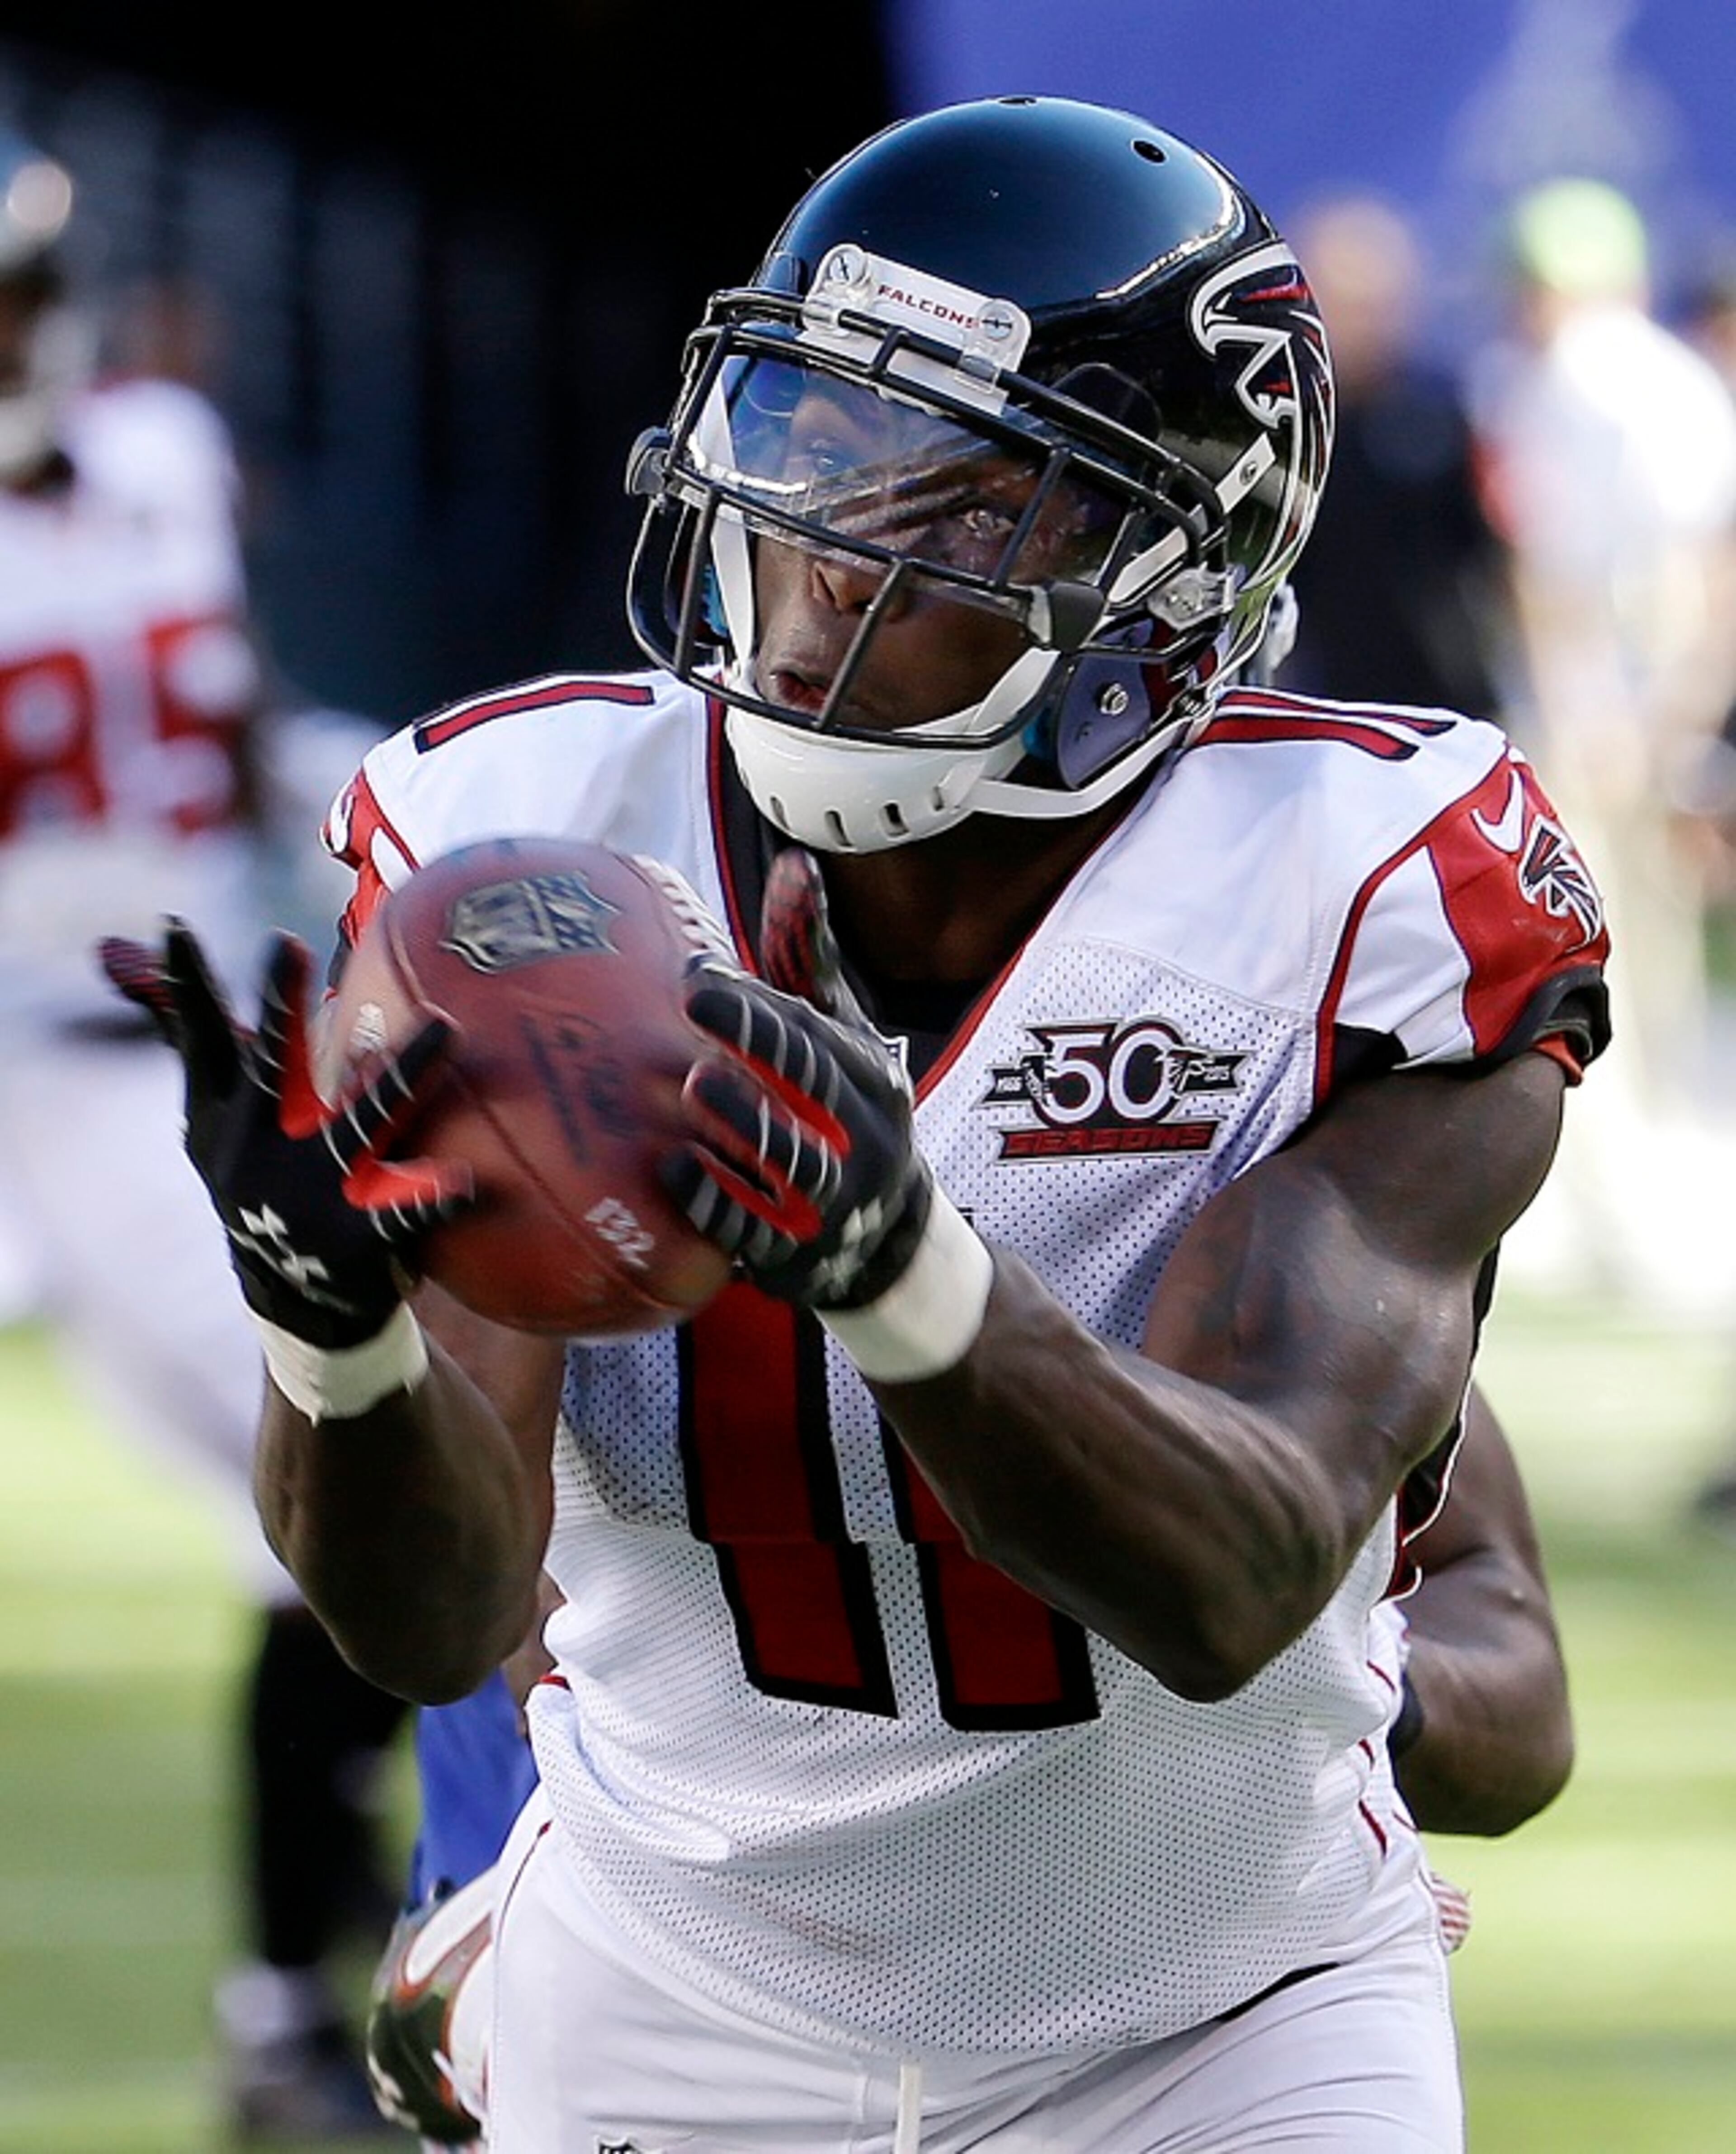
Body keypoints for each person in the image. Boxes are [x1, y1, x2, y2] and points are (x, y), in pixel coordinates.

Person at [106, 96, 1609, 2154]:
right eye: (807, 435)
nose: (828, 539)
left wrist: (899, 1265)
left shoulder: (1365, 885)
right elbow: (439, 1620)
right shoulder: (522, 846)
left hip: (1217, 2014)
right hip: (675, 1994)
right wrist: (332, 1342)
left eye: (964, 498)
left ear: (1166, 566)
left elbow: (1235, 1582)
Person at [0, 125, 404, 2137]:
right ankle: (289, 2002)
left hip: (225, 1037)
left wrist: (353, 801)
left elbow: (228, 718)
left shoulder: (155, 455)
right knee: (333, 1480)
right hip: (50, 1062)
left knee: (365, 1478)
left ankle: (317, 1983)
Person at [1468, 176, 1736, 1301]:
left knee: (1622, 956)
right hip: (1605, 709)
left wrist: (1650, 717)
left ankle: (1650, 1200)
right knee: (1619, 951)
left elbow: (1681, 572)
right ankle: (1617, 1193)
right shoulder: (1583, 381)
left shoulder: (1606, 383)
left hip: (1617, 708)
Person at [1280, 192, 1503, 719]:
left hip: (1446, 701)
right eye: (1347, 300)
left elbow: (1496, 556)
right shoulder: (1280, 424)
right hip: (1318, 698)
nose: (1367, 321)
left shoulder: (1441, 410)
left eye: (1379, 301)